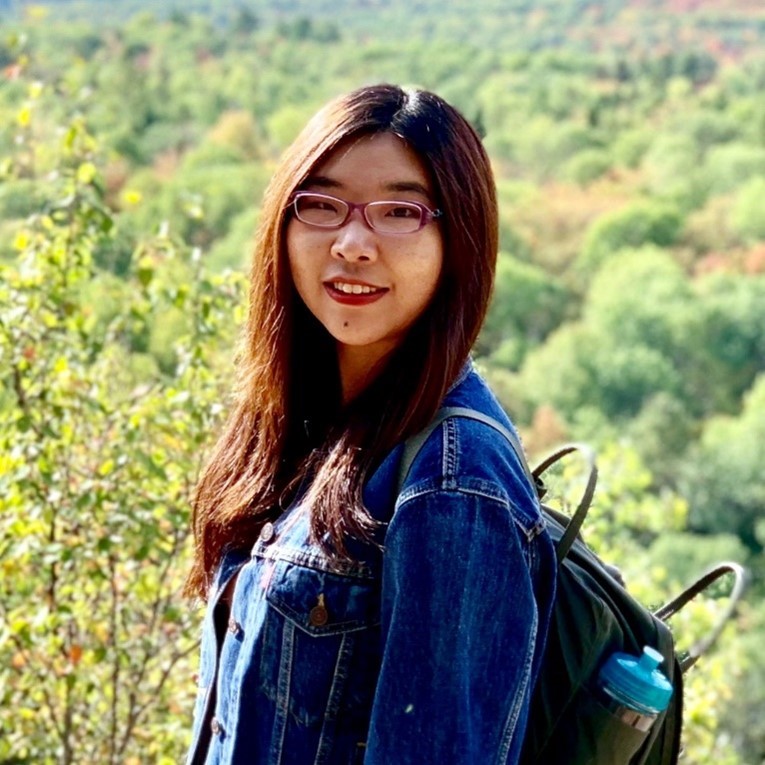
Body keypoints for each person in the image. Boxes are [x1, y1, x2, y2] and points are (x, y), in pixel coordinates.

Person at [184, 83, 556, 765]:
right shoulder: (299, 429)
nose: (352, 243)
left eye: (398, 211)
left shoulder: (453, 482)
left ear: (459, 237)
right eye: (322, 204)